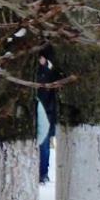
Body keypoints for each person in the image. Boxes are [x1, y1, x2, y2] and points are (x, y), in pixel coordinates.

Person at [37, 52, 58, 184]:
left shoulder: (48, 75)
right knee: (43, 145)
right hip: (43, 112)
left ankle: (43, 172)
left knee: (44, 146)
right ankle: (42, 172)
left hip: (46, 113)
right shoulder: (44, 74)